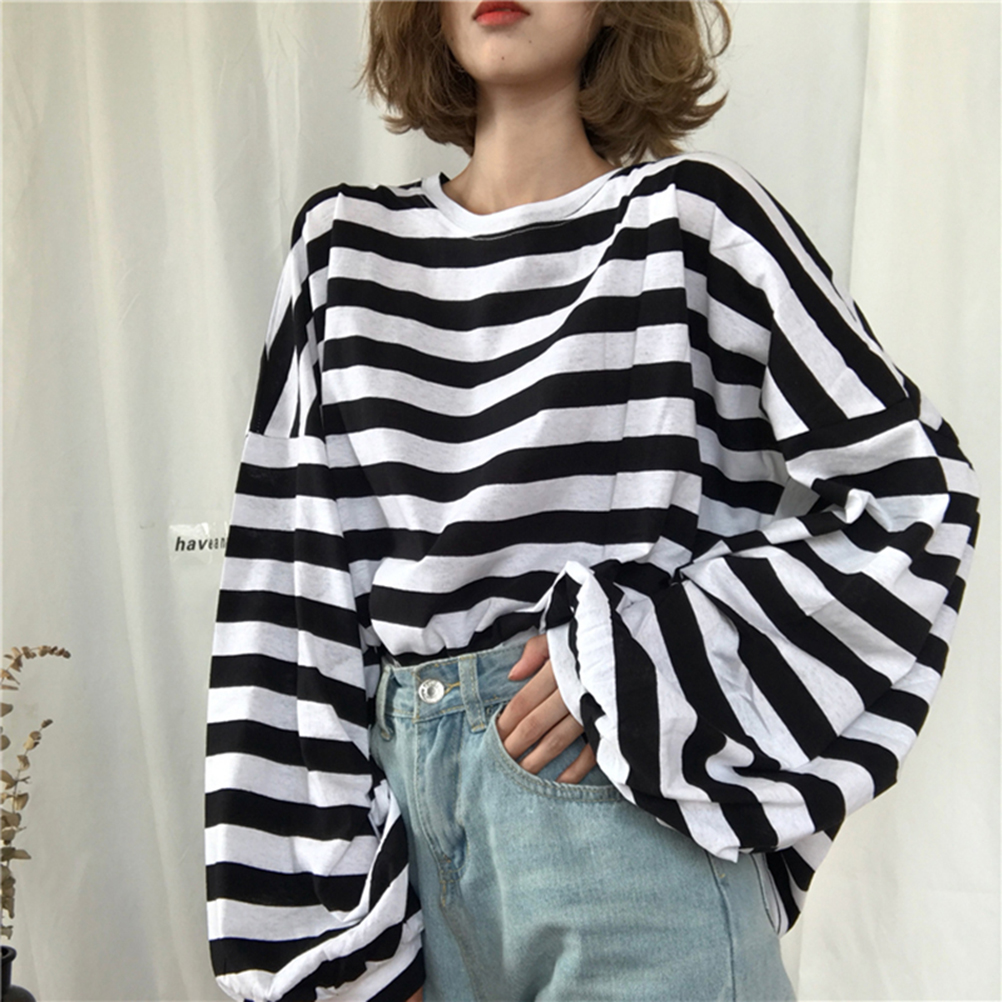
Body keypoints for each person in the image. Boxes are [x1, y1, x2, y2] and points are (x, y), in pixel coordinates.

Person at [204, 2, 980, 1001]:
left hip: (627, 826)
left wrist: (641, 655)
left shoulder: (692, 225)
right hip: (405, 851)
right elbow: (288, 594)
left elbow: (915, 494)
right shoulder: (341, 251)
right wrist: (323, 941)